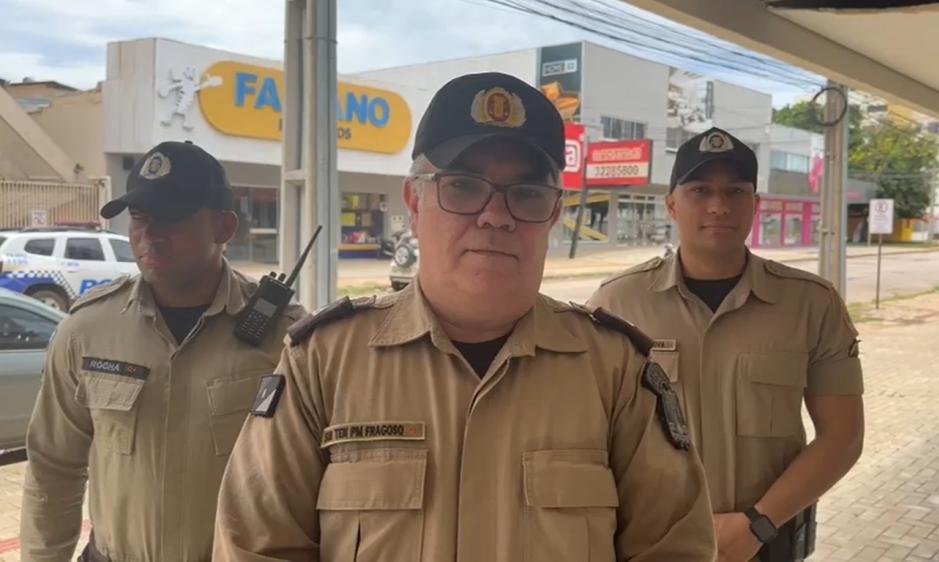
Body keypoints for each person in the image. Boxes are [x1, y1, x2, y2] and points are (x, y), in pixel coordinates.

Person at [213, 72, 716, 561]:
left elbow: (673, 548)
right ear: (415, 201)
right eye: (463, 187)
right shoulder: (321, 363)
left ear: (554, 213)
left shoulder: (616, 371)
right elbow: (257, 548)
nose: (496, 215)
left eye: (526, 194)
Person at [589, 127, 865, 562]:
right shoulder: (618, 302)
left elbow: (843, 436)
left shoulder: (811, 303)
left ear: (755, 204)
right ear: (672, 204)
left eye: (735, 191)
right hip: (650, 544)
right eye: (701, 190)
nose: (719, 206)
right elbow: (589, 436)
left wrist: (757, 523)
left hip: (767, 543)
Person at [20, 141, 305, 562]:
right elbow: (53, 470)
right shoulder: (87, 331)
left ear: (224, 229)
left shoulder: (288, 338)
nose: (150, 234)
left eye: (172, 217)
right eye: (139, 217)